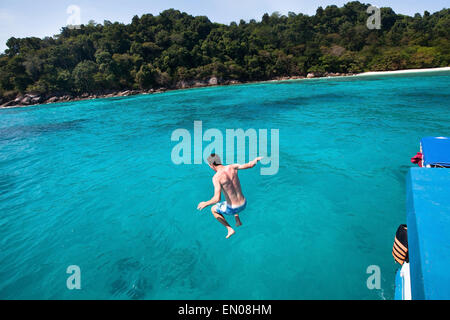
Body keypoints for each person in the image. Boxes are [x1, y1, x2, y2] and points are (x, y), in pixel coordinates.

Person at [197, 153, 263, 239]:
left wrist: (205, 203)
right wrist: (256, 160)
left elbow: (217, 199)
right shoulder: (232, 167)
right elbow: (250, 165)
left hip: (233, 208)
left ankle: (229, 229)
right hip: (244, 203)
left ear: (211, 165)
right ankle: (237, 220)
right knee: (228, 200)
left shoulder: (216, 178)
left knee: (213, 209)